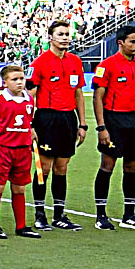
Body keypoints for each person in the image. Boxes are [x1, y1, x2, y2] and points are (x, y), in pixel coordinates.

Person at [91, 26, 135, 229]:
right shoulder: (107, 65)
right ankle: (101, 215)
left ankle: (129, 215)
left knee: (132, 168)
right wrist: (101, 127)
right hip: (113, 120)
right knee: (107, 166)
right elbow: (98, 96)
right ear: (120, 43)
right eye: (132, 42)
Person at [28, 20, 86, 230]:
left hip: (68, 119)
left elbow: (79, 93)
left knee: (62, 167)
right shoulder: (40, 63)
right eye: (60, 34)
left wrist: (83, 124)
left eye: (67, 34)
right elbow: (30, 95)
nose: (65, 38)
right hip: (47, 118)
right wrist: (30, 124)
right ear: (50, 38)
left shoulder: (75, 62)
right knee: (44, 167)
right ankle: (40, 213)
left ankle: (59, 215)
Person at [0, 61, 43, 239]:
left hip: (23, 150)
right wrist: (0, 143)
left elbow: (28, 122)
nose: (19, 82)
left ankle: (21, 226)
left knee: (19, 188)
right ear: (5, 82)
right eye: (14, 79)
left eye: (22, 78)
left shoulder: (29, 100)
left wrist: (29, 134)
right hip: (3, 149)